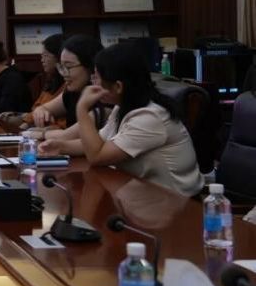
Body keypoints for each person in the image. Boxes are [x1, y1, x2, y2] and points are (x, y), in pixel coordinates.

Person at [41, 43, 203, 197]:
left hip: (176, 204)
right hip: (143, 195)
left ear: (118, 86)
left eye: (97, 78)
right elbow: (98, 143)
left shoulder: (150, 117)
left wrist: (82, 109)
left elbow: (97, 156)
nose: (92, 83)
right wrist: (61, 146)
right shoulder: (123, 107)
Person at [29, 34, 106, 131]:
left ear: (90, 66)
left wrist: (46, 132)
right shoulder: (71, 92)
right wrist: (42, 113)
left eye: (68, 67)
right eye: (61, 67)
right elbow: (42, 108)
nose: (64, 74)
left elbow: (70, 135)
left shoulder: (105, 98)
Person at [0, 34, 66, 130]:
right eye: (42, 56)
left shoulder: (68, 85)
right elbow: (37, 107)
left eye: (46, 55)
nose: (42, 60)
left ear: (59, 57)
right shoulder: (52, 81)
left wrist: (26, 125)